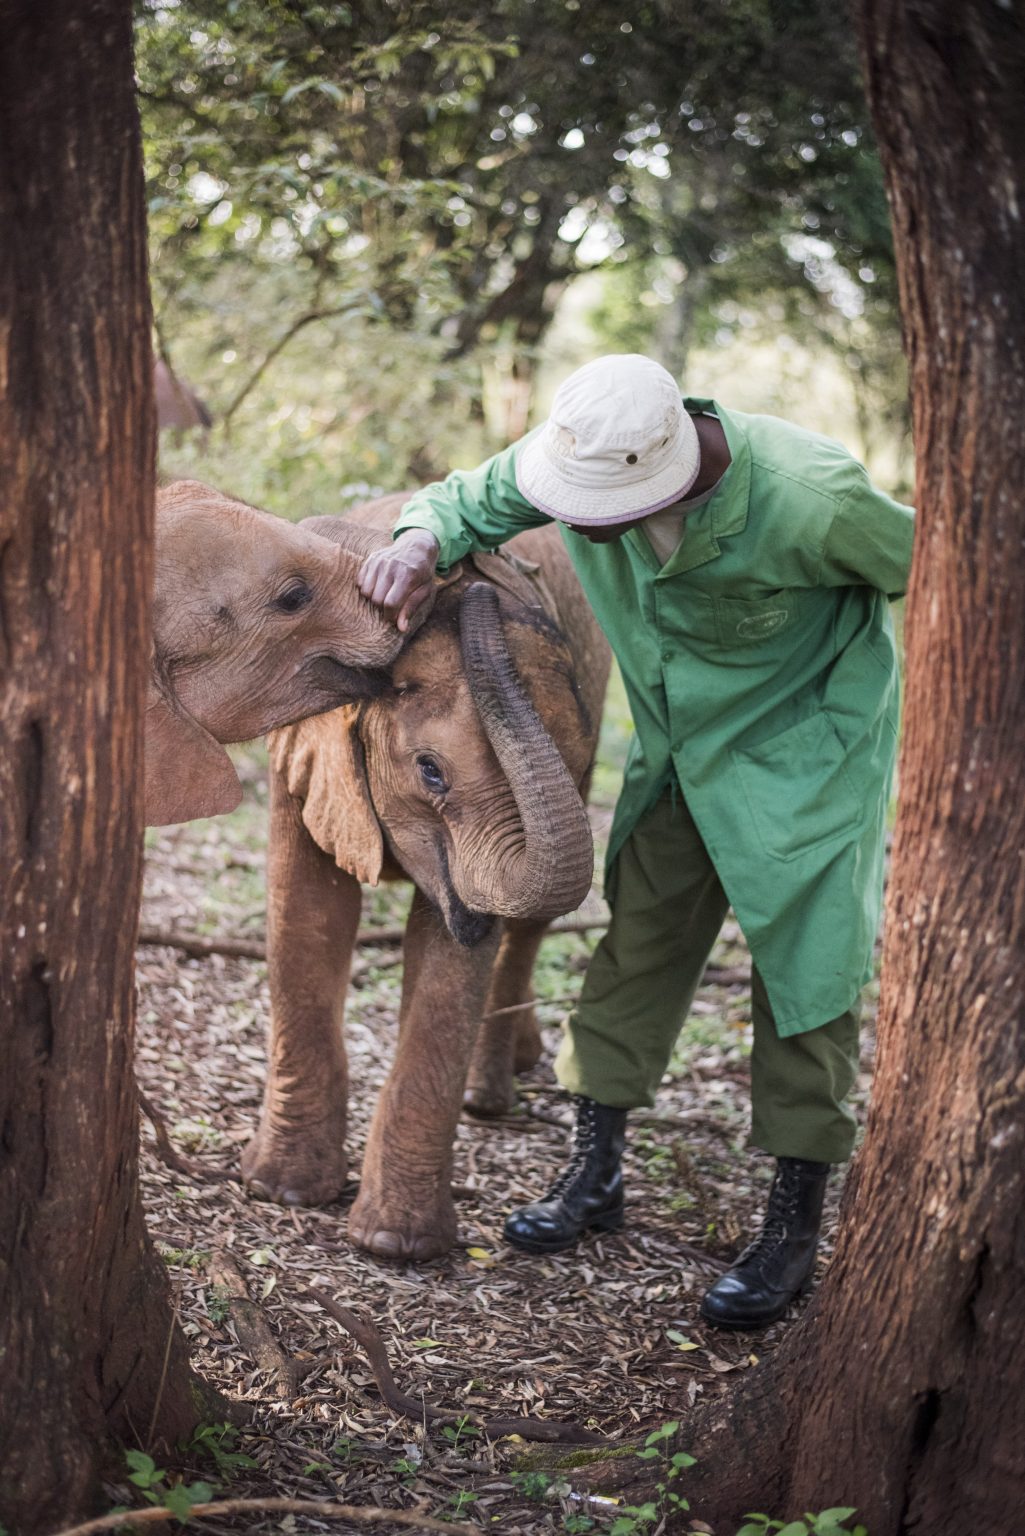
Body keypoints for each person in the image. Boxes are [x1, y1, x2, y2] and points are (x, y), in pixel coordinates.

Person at [358, 354, 914, 1329]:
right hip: (676, 754)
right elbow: (464, 499)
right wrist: (415, 541)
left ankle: (791, 1221)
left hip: (806, 763)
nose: (577, 521)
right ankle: (596, 1171)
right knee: (637, 947)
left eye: (597, 509)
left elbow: (937, 579)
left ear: (670, 467)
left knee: (807, 977)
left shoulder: (811, 495)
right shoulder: (578, 457)